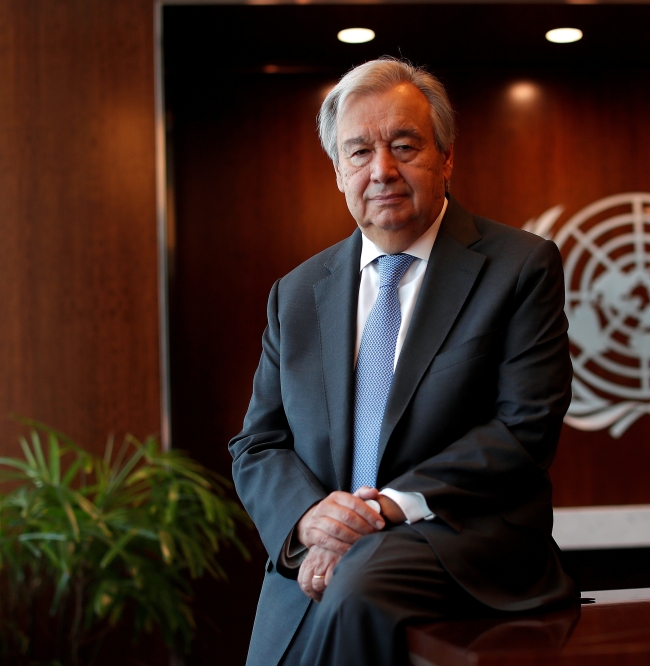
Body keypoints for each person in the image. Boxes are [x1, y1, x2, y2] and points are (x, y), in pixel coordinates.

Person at [229, 57, 577, 666]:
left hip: (459, 545)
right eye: (359, 151)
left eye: (404, 145)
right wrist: (312, 519)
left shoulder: (519, 267)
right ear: (338, 172)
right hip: (315, 564)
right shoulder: (296, 293)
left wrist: (379, 509)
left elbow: (523, 429)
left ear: (446, 158)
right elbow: (257, 445)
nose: (382, 170)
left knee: (361, 585)